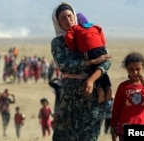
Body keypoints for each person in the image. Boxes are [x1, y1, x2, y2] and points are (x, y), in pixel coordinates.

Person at [51, 2, 112, 141]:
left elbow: (106, 60)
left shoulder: (88, 33)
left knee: (89, 135)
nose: (68, 20)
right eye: (63, 18)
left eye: (69, 16)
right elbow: (64, 65)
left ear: (74, 16)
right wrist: (90, 62)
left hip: (93, 93)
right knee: (64, 135)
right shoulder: (58, 42)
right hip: (70, 96)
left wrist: (92, 79)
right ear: (57, 22)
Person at [64, 12, 112, 103]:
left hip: (89, 53)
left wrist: (74, 47)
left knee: (93, 70)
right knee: (102, 71)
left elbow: (69, 37)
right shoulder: (95, 26)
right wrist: (101, 46)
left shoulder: (75, 28)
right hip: (101, 50)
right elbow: (102, 36)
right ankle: (108, 89)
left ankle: (100, 91)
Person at [110, 52, 144, 141]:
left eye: (138, 69)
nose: (135, 72)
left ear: (143, 69)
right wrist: (113, 127)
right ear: (127, 69)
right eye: (131, 69)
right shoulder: (123, 86)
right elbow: (116, 108)